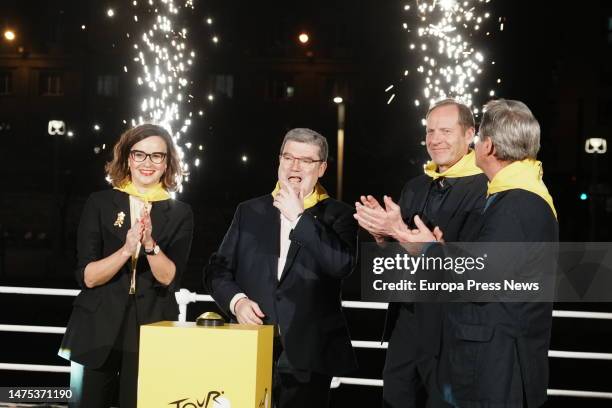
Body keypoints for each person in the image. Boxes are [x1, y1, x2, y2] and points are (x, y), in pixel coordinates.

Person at [398, 99, 558, 407]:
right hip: (491, 362)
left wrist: (429, 250)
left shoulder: (517, 202)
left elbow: (481, 276)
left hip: (495, 368)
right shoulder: (518, 194)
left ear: (488, 146)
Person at [204, 128, 357, 408]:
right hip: (252, 346)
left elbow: (341, 265)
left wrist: (299, 218)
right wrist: (237, 302)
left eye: (306, 160)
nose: (295, 166)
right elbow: (217, 270)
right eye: (288, 157)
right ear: (279, 161)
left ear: (321, 168)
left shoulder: (339, 215)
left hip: (309, 354)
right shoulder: (249, 211)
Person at [354, 98, 488, 407]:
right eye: (430, 131)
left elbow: (479, 263)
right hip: (409, 316)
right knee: (396, 395)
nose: (435, 139)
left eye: (445, 130)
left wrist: (405, 234)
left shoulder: (486, 187)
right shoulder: (415, 186)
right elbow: (397, 259)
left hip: (451, 321)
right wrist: (382, 236)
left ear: (470, 135)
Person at [59, 124, 194, 408]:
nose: (148, 163)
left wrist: (149, 244)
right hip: (97, 326)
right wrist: (126, 249)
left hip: (151, 325)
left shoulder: (180, 213)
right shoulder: (100, 202)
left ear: (167, 162)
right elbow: (89, 277)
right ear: (127, 158)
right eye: (140, 155)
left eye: (157, 156)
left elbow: (170, 277)